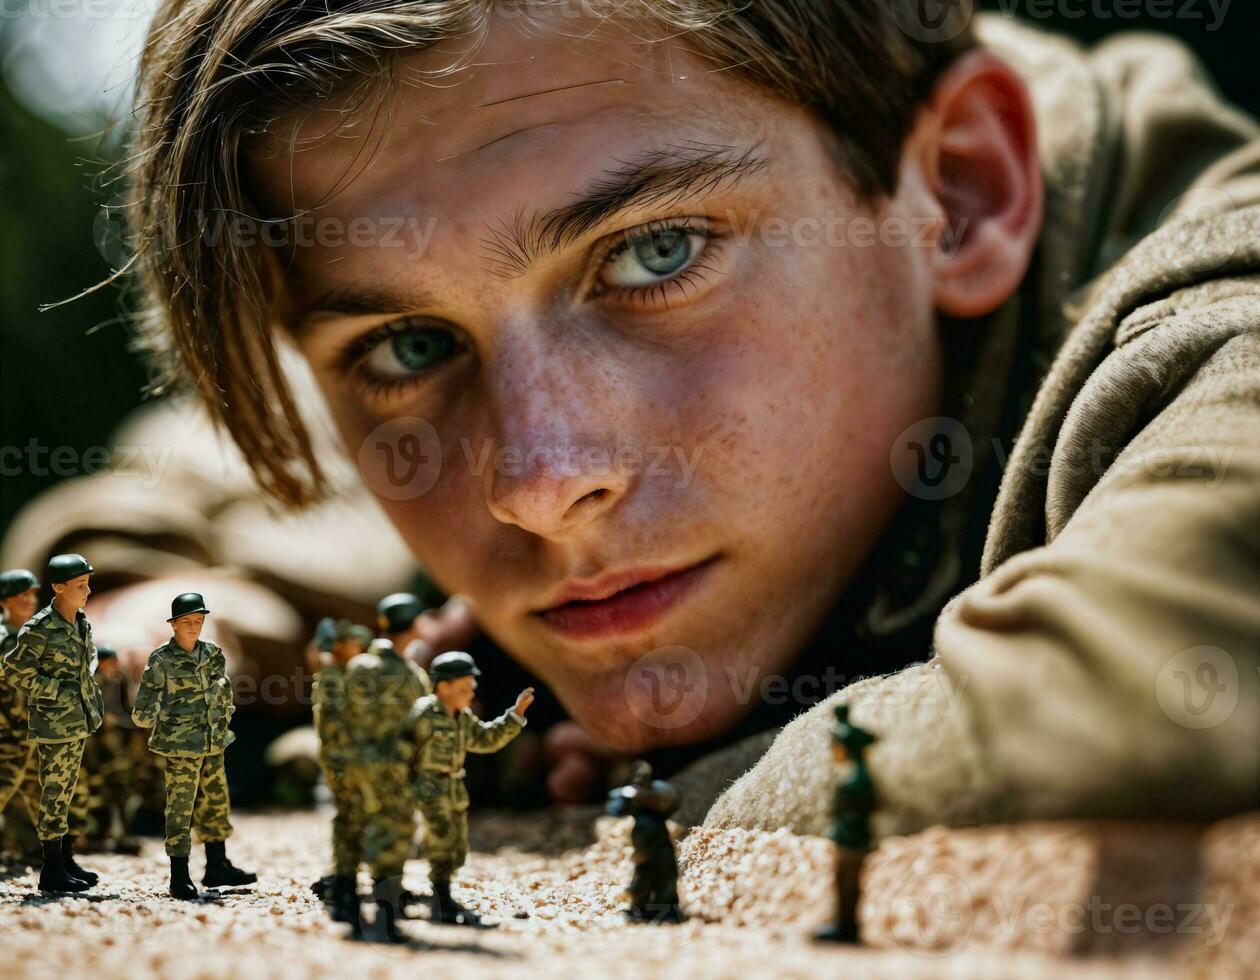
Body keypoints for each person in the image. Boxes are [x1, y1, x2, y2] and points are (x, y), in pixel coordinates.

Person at [5, 0, 1259, 838]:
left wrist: (681, 787)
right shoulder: (473, 292)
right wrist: (203, 620)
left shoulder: (1207, 290)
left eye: (654, 254)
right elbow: (218, 469)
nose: (545, 478)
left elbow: (1150, 695)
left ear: (965, 193)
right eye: (410, 341)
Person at [132, 592, 256, 899]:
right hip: (180, 744)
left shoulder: (213, 654)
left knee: (216, 801)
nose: (193, 627)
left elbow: (224, 691)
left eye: (198, 621)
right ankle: (179, 874)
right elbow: (145, 703)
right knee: (180, 808)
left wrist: (223, 716)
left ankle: (217, 864)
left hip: (212, 740)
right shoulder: (161, 659)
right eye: (187, 621)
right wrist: (152, 720)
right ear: (173, 624)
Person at [402, 651, 533, 928]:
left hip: (452, 786)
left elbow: (485, 739)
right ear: (443, 687)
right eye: (464, 687)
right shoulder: (425, 714)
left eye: (472, 686)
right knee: (439, 840)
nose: (471, 692)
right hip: (428, 786)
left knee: (455, 843)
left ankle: (443, 895)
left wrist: (515, 715)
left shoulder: (462, 717)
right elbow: (403, 749)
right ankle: (438, 900)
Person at [3, 554, 104, 893]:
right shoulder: (40, 628)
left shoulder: (80, 621)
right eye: (80, 585)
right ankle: (51, 868)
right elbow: (16, 669)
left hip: (76, 720)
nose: (87, 591)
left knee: (68, 793)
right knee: (53, 794)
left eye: (88, 584)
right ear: (59, 588)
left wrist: (87, 692)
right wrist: (55, 691)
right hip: (51, 724)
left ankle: (63, 860)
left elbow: (86, 661)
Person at [340, 593, 433, 942]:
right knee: (393, 833)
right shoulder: (410, 674)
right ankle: (384, 913)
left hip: (369, 762)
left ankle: (362, 901)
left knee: (375, 828)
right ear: (413, 625)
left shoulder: (364, 667)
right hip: (388, 765)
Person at [310, 618, 373, 930]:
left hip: (344, 755)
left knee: (351, 816)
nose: (359, 648)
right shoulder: (334, 677)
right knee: (350, 816)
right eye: (353, 643)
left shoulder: (338, 673)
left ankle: (343, 875)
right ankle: (344, 880)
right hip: (344, 758)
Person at [606, 761, 683, 924]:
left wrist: (644, 797)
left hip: (659, 839)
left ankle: (668, 910)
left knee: (666, 874)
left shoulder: (659, 791)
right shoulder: (630, 795)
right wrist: (628, 798)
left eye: (643, 776)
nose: (640, 778)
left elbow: (672, 801)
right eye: (637, 776)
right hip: (643, 839)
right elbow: (614, 809)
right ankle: (640, 908)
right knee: (644, 876)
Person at [0, 570, 41, 850]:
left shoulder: (38, 633)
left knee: (44, 794)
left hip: (34, 731)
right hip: (7, 733)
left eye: (32, 594)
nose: (30, 600)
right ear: (5, 601)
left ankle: (54, 857)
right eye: (22, 595)